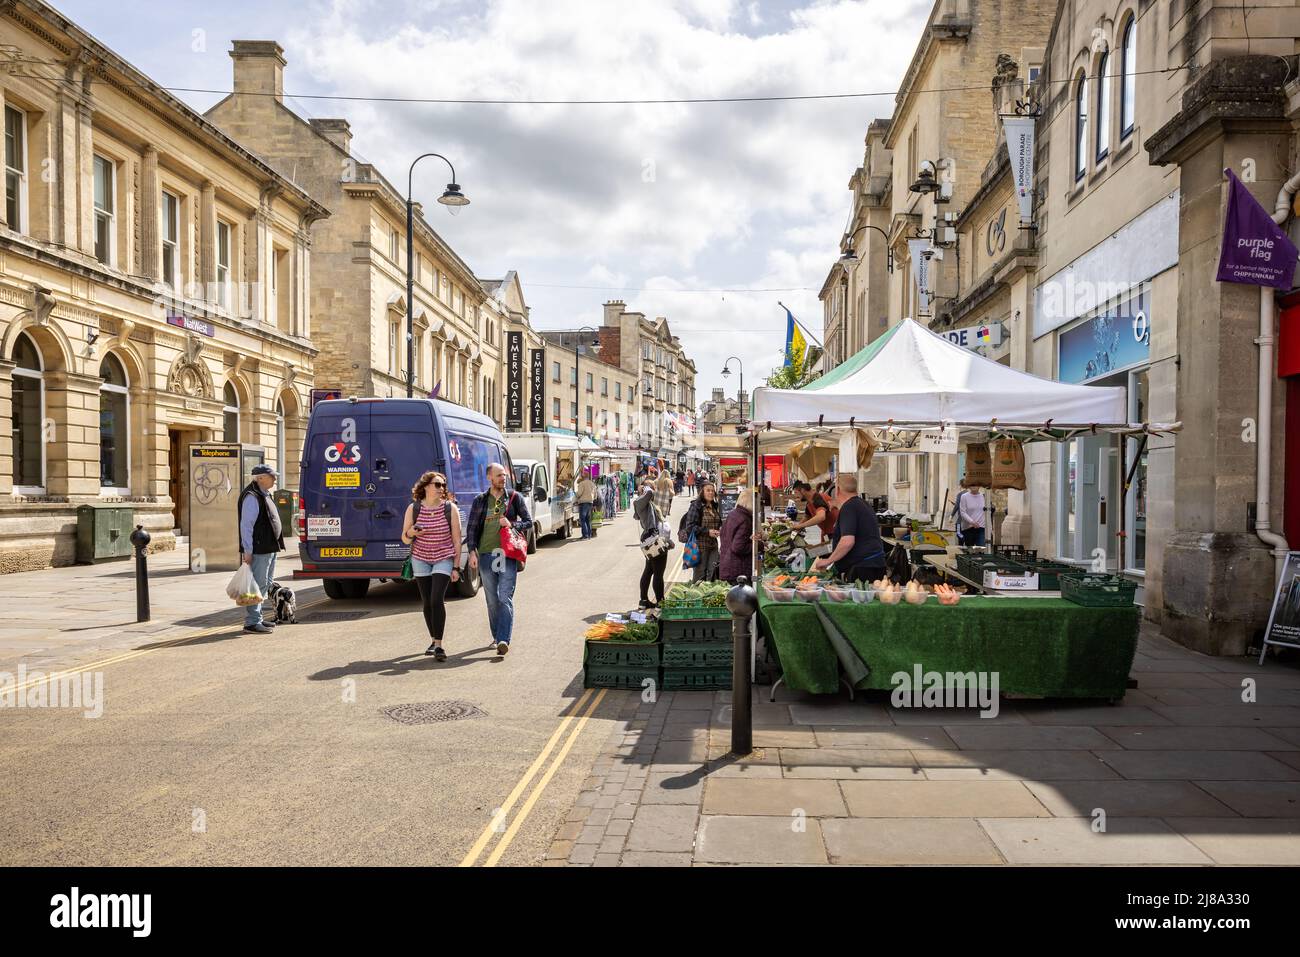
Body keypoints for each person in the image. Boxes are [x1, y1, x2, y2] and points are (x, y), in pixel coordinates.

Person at [465, 462, 533, 656]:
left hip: (507, 555)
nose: (503, 478)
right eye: (499, 475)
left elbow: (528, 522)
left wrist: (511, 524)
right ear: (489, 477)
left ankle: (504, 639)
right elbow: (471, 529)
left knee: (505, 597)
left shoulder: (514, 497)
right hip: (486, 554)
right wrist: (471, 552)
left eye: (504, 475)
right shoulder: (480, 500)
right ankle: (496, 636)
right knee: (492, 600)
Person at [402, 470, 461, 660]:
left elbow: (457, 540)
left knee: (436, 599)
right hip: (420, 558)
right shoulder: (414, 508)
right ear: (426, 486)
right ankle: (433, 640)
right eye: (437, 484)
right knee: (427, 601)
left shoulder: (450, 508)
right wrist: (412, 533)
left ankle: (439, 645)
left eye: (443, 485)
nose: (441, 488)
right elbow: (404, 538)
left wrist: (456, 567)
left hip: (443, 557)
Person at [811, 473, 886, 583]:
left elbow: (847, 541)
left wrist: (828, 561)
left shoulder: (849, 507)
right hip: (873, 564)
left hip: (863, 568)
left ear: (837, 490)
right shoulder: (863, 504)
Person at [237, 463, 284, 634]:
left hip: (269, 547)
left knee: (265, 583)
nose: (275, 479)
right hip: (259, 548)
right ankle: (252, 622)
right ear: (261, 478)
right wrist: (247, 551)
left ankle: (258, 619)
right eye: (272, 476)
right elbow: (246, 526)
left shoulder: (263, 494)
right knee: (256, 585)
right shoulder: (252, 496)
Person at [634, 481, 669, 608]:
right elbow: (650, 493)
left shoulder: (647, 504)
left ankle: (644, 601)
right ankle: (661, 602)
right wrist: (645, 487)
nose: (654, 488)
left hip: (652, 538)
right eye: (652, 485)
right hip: (653, 539)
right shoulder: (640, 502)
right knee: (658, 573)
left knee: (649, 571)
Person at [683, 481, 723, 582]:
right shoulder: (696, 506)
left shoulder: (715, 506)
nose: (711, 493)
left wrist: (721, 528)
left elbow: (718, 522)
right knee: (700, 576)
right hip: (700, 547)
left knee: (713, 573)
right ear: (702, 492)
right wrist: (707, 531)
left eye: (712, 491)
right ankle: (697, 595)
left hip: (713, 545)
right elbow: (690, 527)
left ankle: (710, 596)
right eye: (708, 490)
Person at [719, 487, 756, 583]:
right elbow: (738, 547)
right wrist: (757, 545)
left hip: (727, 566)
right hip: (738, 571)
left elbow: (729, 538)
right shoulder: (745, 519)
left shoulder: (732, 514)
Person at [958, 483, 988, 547]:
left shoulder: (984, 497)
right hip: (968, 528)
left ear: (979, 486)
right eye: (972, 484)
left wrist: (990, 528)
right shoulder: (964, 496)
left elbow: (987, 512)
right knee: (970, 550)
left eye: (975, 484)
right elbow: (963, 512)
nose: (974, 486)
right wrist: (972, 522)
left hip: (981, 527)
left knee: (981, 549)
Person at [575, 471, 597, 539]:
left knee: (583, 519)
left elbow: (579, 494)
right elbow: (595, 495)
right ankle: (589, 534)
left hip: (583, 503)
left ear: (583, 477)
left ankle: (585, 535)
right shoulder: (592, 484)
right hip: (590, 502)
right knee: (588, 519)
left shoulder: (582, 484)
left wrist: (575, 494)